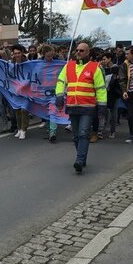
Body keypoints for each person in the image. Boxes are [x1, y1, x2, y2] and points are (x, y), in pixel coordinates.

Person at [55, 42, 107, 174]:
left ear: (88, 53)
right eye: (77, 50)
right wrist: (59, 96)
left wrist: (102, 106)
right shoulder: (69, 66)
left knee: (84, 133)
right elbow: (61, 82)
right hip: (72, 106)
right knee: (76, 136)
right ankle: (82, 158)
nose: (78, 52)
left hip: (88, 107)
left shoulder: (95, 68)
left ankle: (79, 159)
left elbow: (101, 89)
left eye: (82, 51)